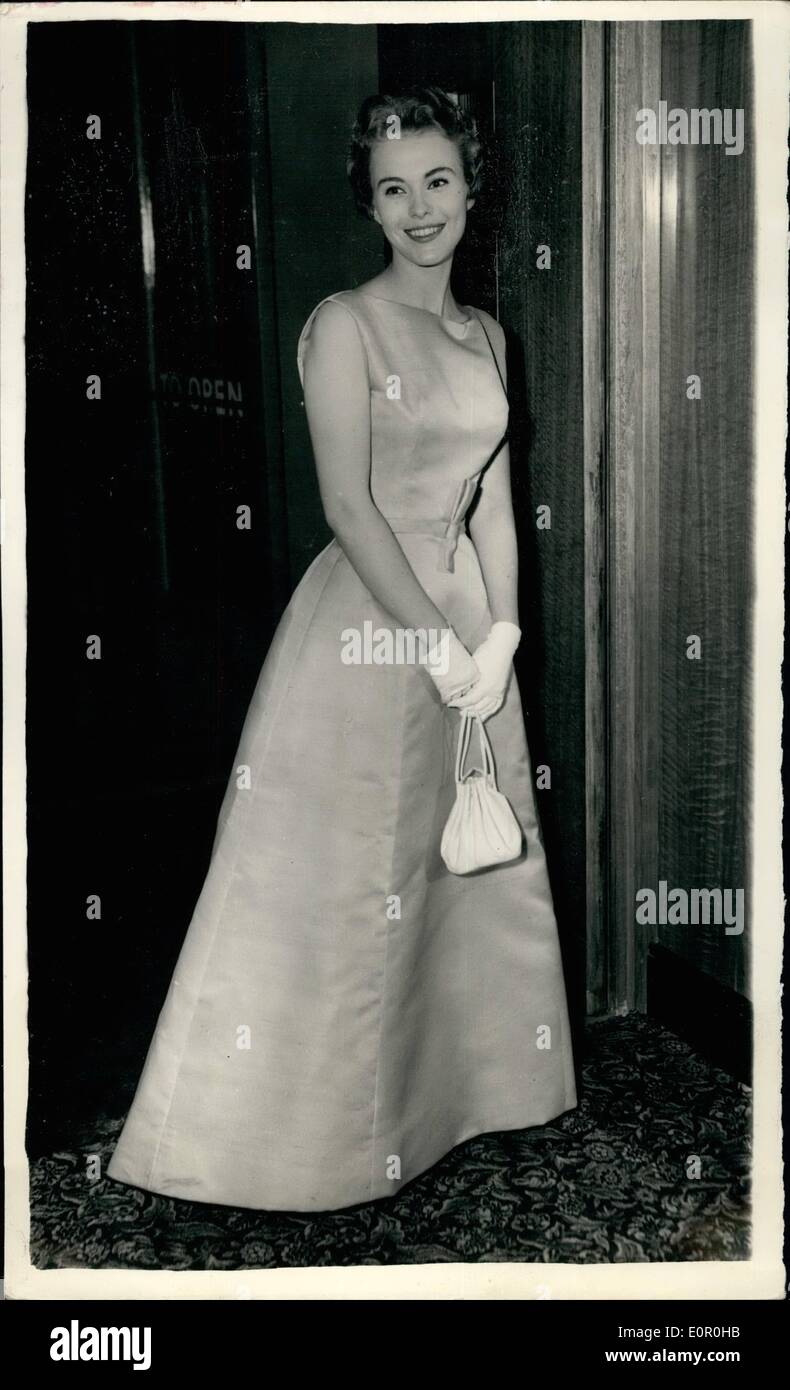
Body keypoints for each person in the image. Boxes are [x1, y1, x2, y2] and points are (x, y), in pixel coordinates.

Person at [107, 85, 578, 1214]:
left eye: (438, 182)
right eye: (393, 189)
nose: (421, 210)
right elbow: (352, 509)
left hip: (468, 621)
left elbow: (498, 508)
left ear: (472, 186)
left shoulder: (487, 335)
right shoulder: (342, 324)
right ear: (369, 205)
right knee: (346, 872)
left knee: (453, 868)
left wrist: (501, 636)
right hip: (372, 625)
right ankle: (293, 1138)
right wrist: (434, 646)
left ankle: (451, 1102)